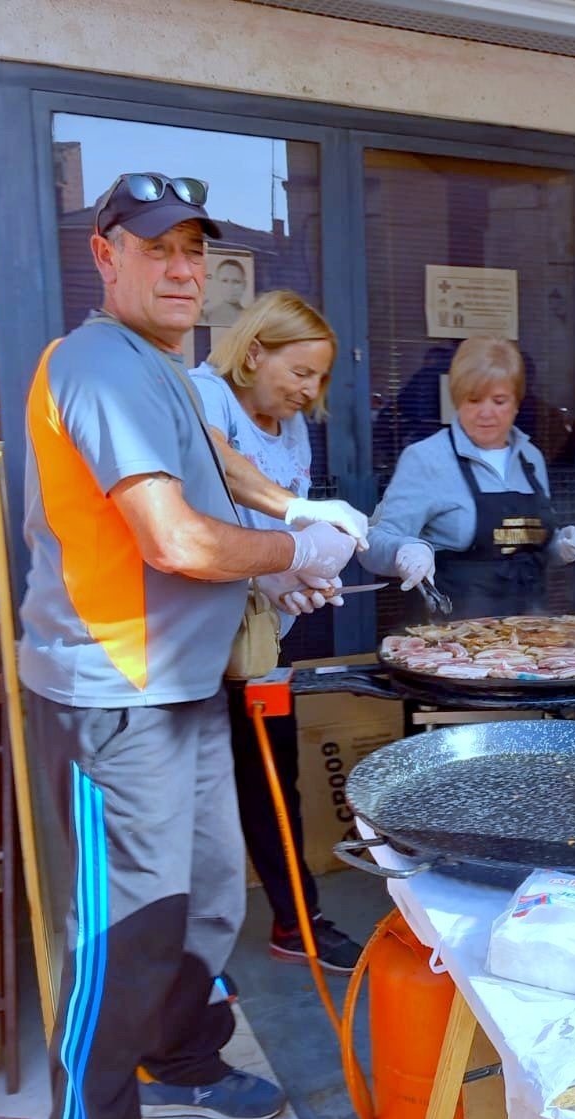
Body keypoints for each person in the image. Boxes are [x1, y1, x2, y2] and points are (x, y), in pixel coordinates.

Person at [20, 172, 362, 1119]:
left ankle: (179, 1061)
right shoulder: (94, 363)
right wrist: (288, 552)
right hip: (110, 698)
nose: (181, 268)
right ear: (105, 254)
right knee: (124, 938)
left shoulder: (162, 368)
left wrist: (303, 517)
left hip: (184, 684)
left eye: (194, 252)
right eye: (156, 247)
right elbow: (170, 537)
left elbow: (216, 461)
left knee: (208, 900)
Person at [191, 291, 367, 974]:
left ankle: (298, 920)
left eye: (320, 377)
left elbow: (285, 524)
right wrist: (278, 558)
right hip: (197, 638)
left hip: (264, 638)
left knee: (273, 778)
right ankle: (188, 960)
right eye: (300, 372)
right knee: (201, 793)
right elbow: (216, 484)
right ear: (255, 350)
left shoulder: (293, 424)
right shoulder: (203, 397)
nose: (309, 390)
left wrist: (304, 571)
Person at [360, 335, 575, 616]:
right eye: (474, 399)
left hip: (530, 633)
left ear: (517, 402)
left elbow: (529, 547)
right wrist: (404, 550)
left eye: (500, 400)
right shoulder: (427, 458)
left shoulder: (531, 458)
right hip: (453, 637)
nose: (486, 413)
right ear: (457, 399)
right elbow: (371, 545)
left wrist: (559, 545)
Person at [201, 256, 248, 327]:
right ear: (216, 283)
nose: (230, 287)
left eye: (236, 281)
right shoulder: (206, 316)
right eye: (224, 281)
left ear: (244, 285)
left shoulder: (251, 317)